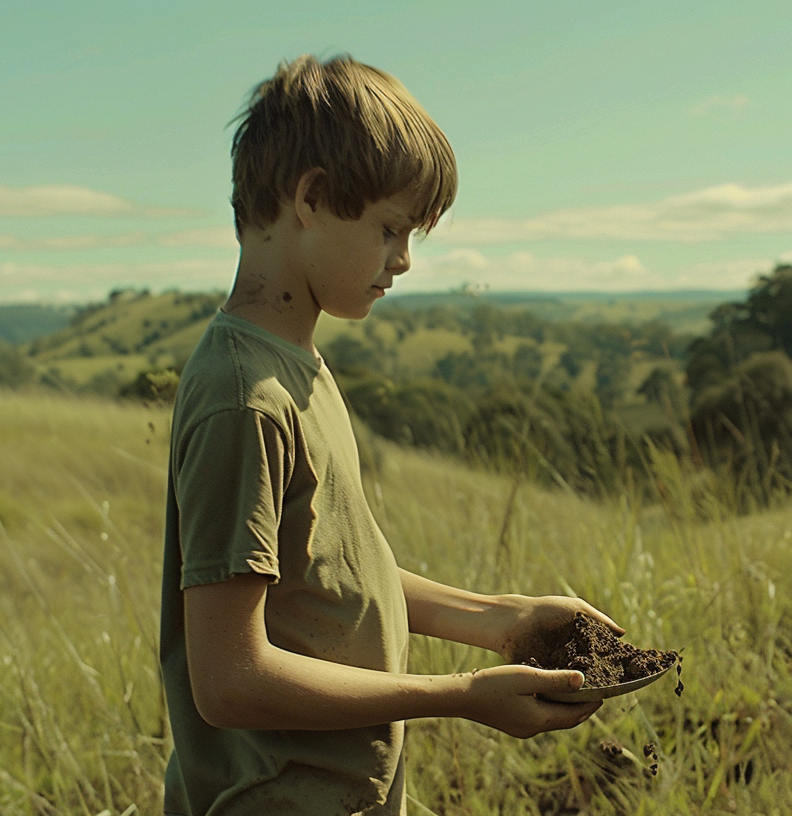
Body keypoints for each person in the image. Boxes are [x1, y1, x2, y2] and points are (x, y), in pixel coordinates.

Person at [159, 54, 618, 816]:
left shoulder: (297, 364)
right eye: (390, 229)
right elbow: (230, 679)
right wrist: (462, 697)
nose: (402, 261)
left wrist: (502, 620)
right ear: (310, 197)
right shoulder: (246, 400)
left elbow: (329, 575)